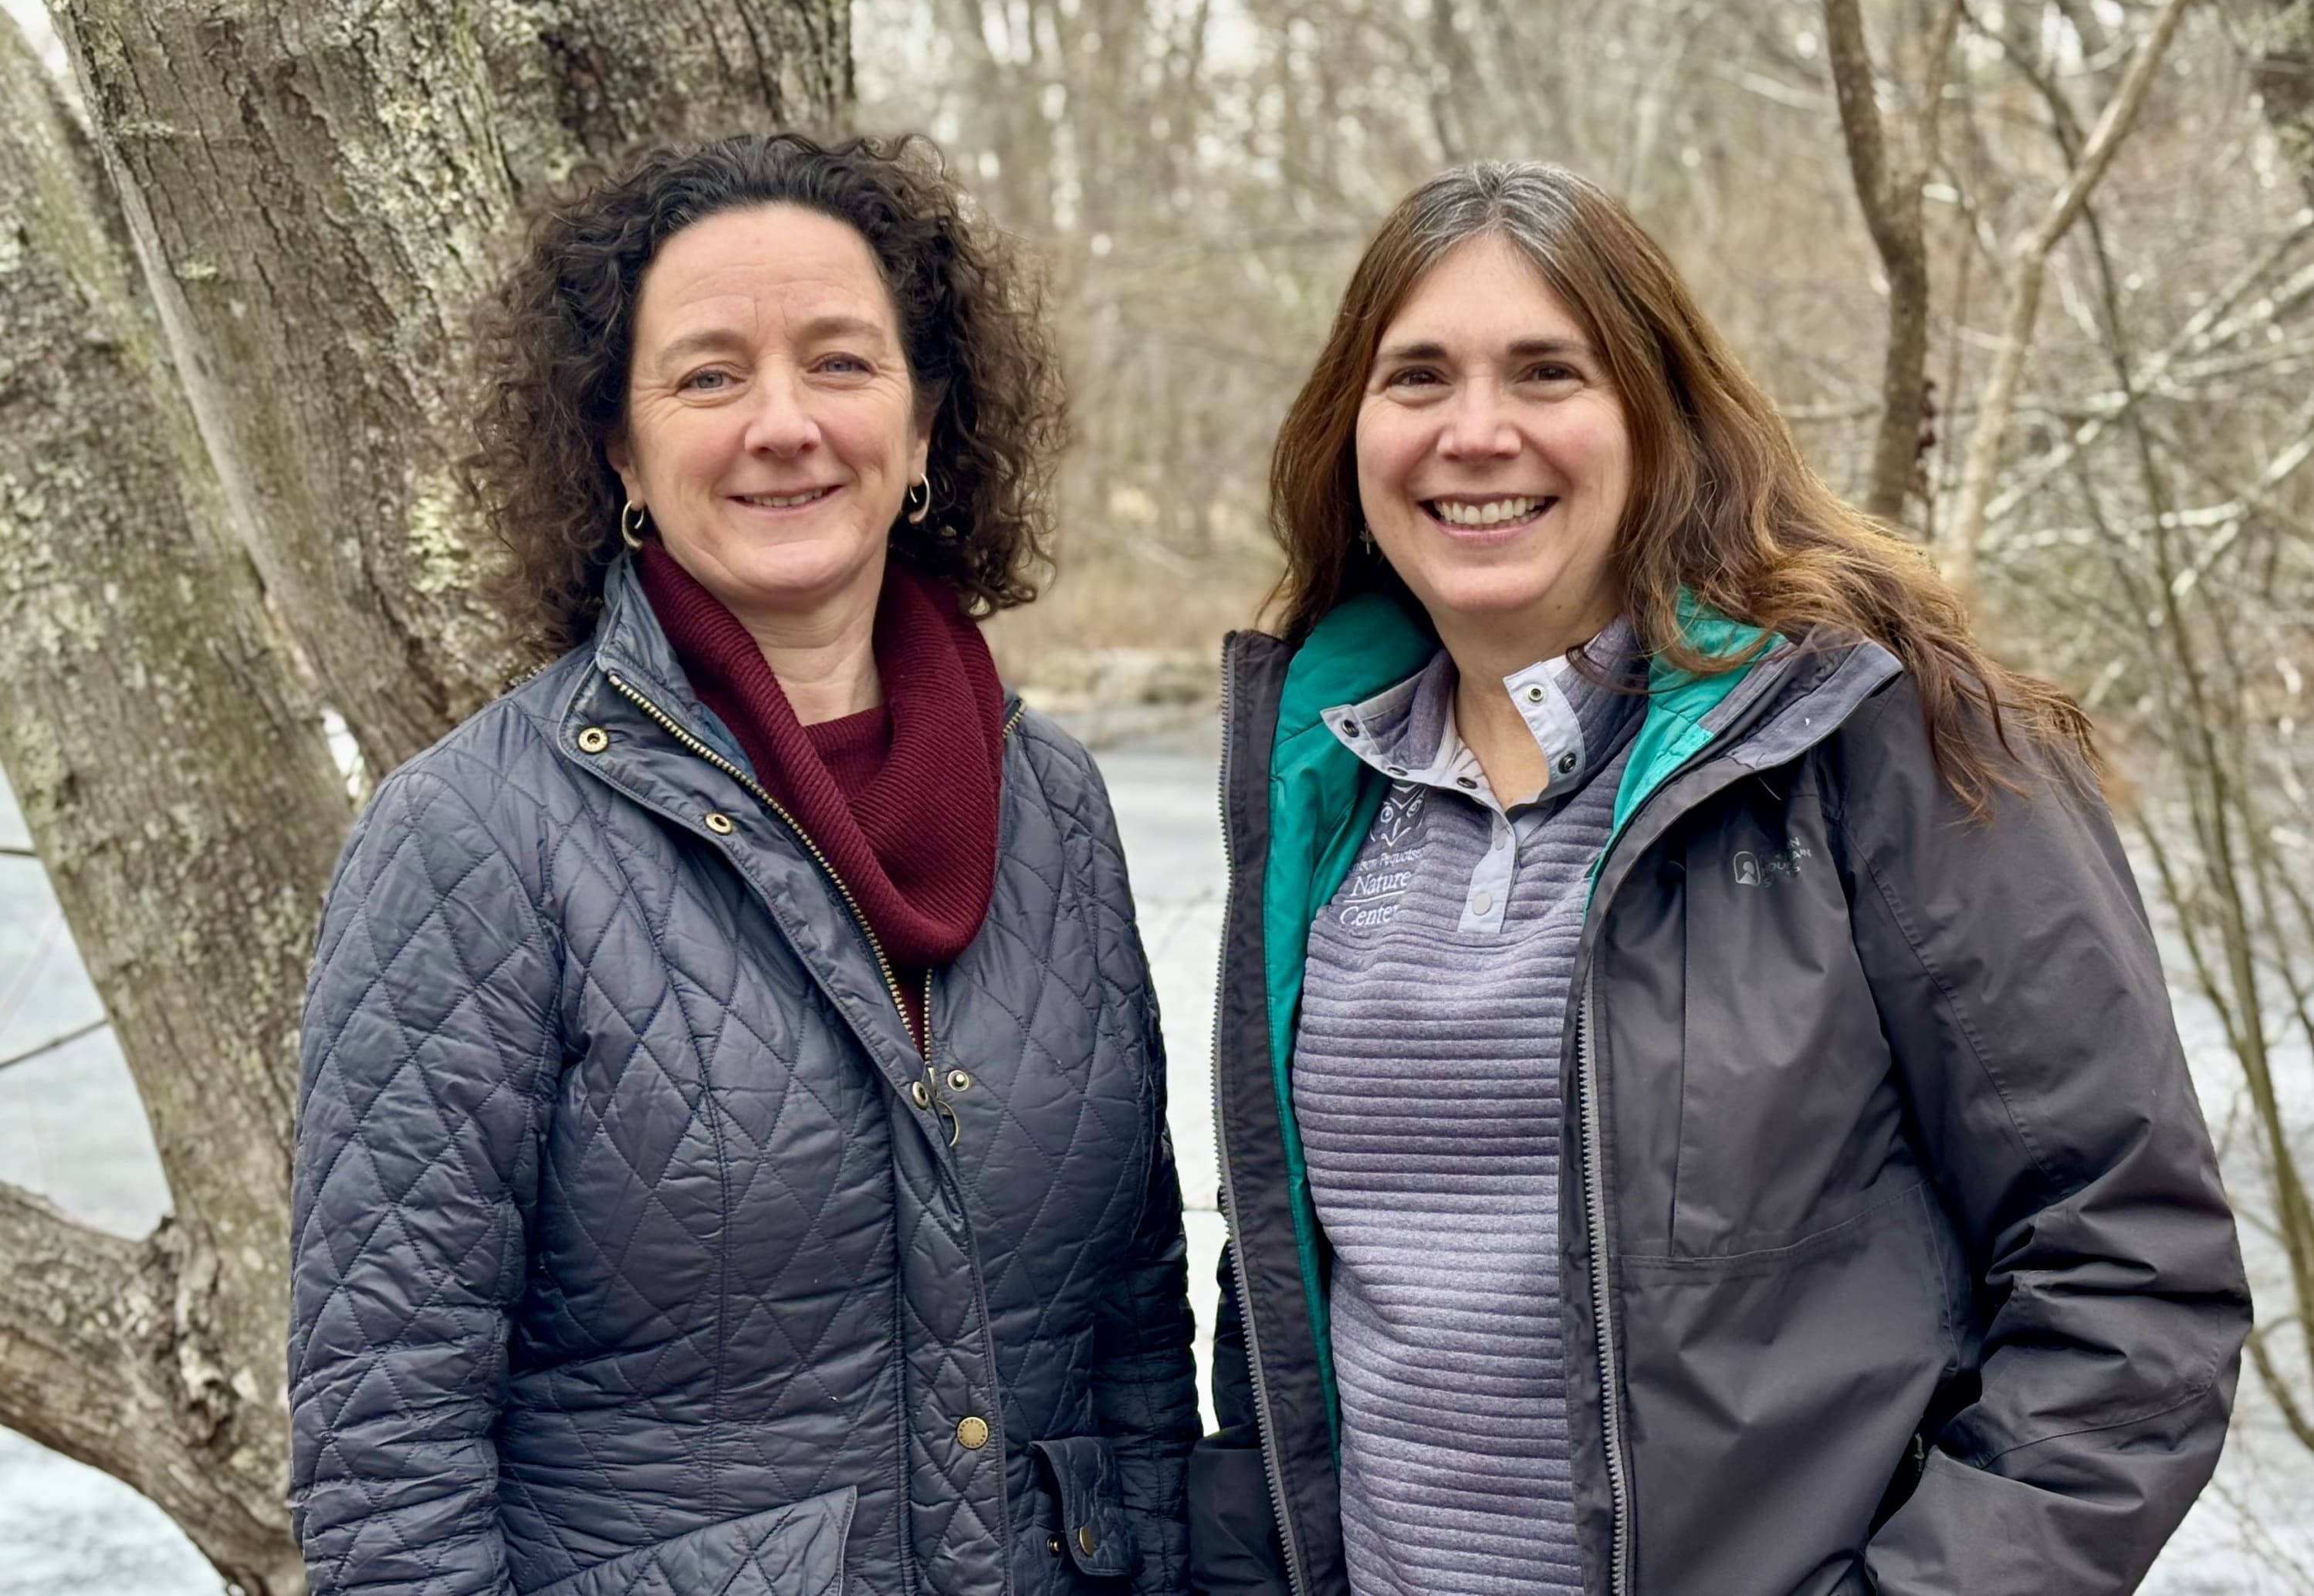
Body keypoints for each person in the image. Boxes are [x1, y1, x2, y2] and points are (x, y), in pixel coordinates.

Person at [1189, 161, 2249, 1596]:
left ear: (1655, 411)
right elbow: (1284, 1298)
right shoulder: (1326, 784)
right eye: (1417, 376)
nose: (1475, 431)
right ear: (1351, 431)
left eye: (1546, 370)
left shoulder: (1888, 740)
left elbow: (2127, 1275)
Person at [287, 134, 1197, 1596]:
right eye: (709, 375)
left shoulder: (1055, 805)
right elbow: (384, 1440)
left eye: (840, 363)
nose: (783, 422)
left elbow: (1136, 1331)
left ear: (922, 431)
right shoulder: (474, 838)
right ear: (619, 451)